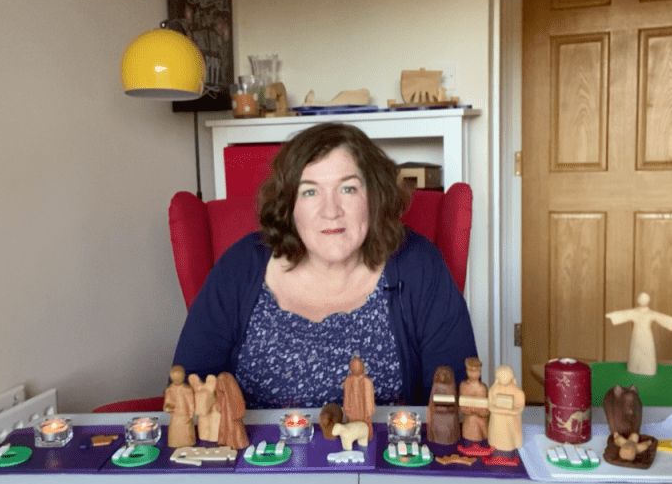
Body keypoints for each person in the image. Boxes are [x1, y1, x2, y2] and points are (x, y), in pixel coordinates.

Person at [172, 122, 477, 408]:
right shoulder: (240, 265)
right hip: (256, 449)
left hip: (387, 448)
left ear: (374, 197)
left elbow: (454, 403)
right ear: (289, 206)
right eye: (309, 191)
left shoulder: (419, 264)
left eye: (348, 188)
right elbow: (187, 390)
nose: (331, 211)